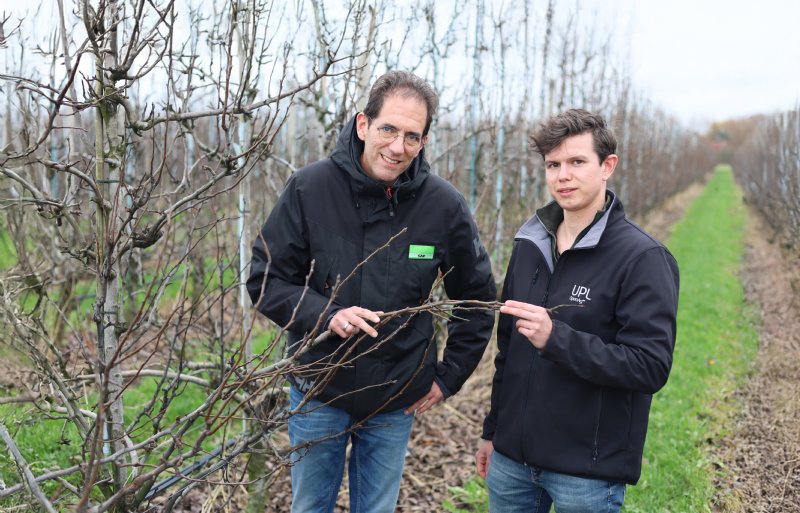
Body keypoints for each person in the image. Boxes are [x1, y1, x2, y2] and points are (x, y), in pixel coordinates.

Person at [247, 70, 496, 513]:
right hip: (318, 389)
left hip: (396, 398)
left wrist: (448, 376)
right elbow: (266, 278)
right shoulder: (310, 188)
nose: (398, 147)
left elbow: (476, 300)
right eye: (388, 130)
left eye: (412, 136)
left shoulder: (443, 206)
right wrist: (326, 316)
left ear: (424, 140)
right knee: (309, 508)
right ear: (363, 125)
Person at [475, 108, 680, 513]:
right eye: (553, 164)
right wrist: (492, 432)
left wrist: (557, 338)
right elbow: (507, 354)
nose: (562, 175)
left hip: (585, 471)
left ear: (607, 166)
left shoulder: (643, 258)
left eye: (576, 162)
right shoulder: (528, 245)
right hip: (511, 463)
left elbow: (649, 367)